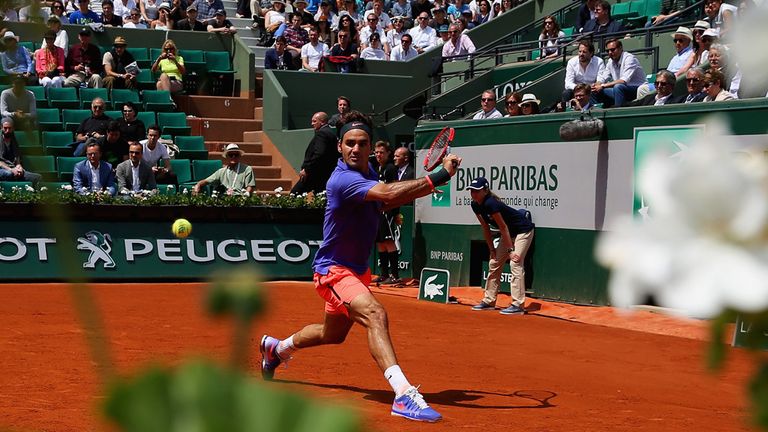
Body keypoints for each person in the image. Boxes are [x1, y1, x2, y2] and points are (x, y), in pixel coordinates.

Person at [259, 110, 461, 423]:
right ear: (339, 147)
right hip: (333, 270)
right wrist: (440, 176)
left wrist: (425, 185)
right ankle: (403, 395)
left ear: (371, 148)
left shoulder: (369, 173)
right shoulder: (342, 179)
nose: (355, 148)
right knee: (375, 314)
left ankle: (277, 349)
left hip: (356, 271)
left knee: (332, 334)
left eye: (362, 143)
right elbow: (387, 193)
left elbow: (386, 200)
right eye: (350, 143)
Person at [468, 176, 534, 315]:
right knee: (494, 263)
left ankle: (518, 304)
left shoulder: (491, 203)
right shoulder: (475, 205)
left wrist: (511, 251)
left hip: (523, 231)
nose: (473, 193)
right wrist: (491, 249)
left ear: (485, 191)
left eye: (476, 190)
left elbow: (503, 227)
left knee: (515, 263)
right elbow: (485, 228)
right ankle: (489, 301)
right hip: (508, 233)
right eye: (471, 190)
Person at [372, 141, 400, 284]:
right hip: (377, 209)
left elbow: (394, 190)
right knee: (380, 242)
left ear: (388, 153)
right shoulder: (377, 168)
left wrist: (391, 209)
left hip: (388, 210)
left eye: (381, 152)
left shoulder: (390, 169)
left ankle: (395, 275)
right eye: (376, 152)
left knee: (388, 241)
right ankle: (384, 274)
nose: (378, 155)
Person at [291, 111, 339, 194]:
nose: (312, 124)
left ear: (322, 122)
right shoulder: (330, 132)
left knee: (294, 194)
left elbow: (319, 153)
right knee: (320, 196)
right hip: (324, 174)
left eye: (314, 121)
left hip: (314, 173)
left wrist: (307, 169)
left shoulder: (322, 133)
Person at [593, 38, 646, 108]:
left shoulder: (629, 58)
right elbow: (604, 76)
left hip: (636, 89)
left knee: (618, 87)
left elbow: (623, 81)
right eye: (607, 51)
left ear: (620, 48)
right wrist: (597, 84)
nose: (610, 52)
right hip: (620, 90)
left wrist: (602, 86)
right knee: (595, 91)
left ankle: (618, 111)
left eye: (612, 50)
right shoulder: (610, 61)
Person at [0, 119, 42, 188]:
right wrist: (11, 170)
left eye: (10, 128)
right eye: (5, 128)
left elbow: (17, 159)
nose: (7, 131)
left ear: (13, 128)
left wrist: (19, 167)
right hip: (3, 169)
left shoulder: (14, 140)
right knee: (9, 174)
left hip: (13, 168)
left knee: (37, 177)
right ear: (1, 127)